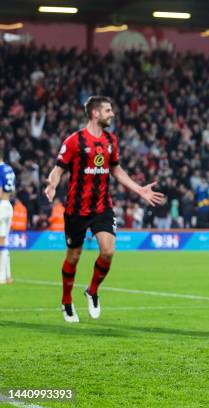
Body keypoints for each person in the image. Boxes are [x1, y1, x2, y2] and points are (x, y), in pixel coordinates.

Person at [44, 96, 165, 323]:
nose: (112, 114)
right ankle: (66, 301)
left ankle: (92, 291)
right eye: (108, 110)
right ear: (95, 113)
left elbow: (116, 170)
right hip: (76, 209)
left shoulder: (111, 140)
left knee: (108, 251)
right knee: (74, 256)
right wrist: (52, 184)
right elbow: (58, 169)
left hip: (102, 207)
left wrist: (139, 190)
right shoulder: (74, 141)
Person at [0, 151, 16, 284]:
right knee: (4, 242)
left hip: (1, 206)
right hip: (8, 205)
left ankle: (1, 277)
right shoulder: (9, 169)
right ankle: (7, 275)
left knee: (1, 242)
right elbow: (12, 190)